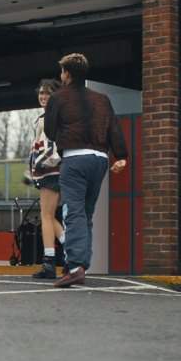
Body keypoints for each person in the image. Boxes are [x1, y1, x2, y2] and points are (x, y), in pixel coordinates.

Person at [44, 53, 128, 288]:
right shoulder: (102, 99)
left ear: (67, 74)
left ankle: (75, 266)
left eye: (62, 72)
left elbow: (50, 131)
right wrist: (121, 156)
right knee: (86, 213)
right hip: (100, 160)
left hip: (75, 159)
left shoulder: (58, 98)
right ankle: (80, 262)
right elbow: (114, 128)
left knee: (73, 212)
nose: (61, 76)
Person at [26, 79, 65, 279]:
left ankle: (50, 263)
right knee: (50, 216)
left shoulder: (50, 117)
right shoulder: (50, 116)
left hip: (50, 171)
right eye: (41, 93)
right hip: (53, 171)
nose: (43, 96)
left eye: (47, 93)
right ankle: (70, 251)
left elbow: (50, 148)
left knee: (46, 217)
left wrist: (38, 165)